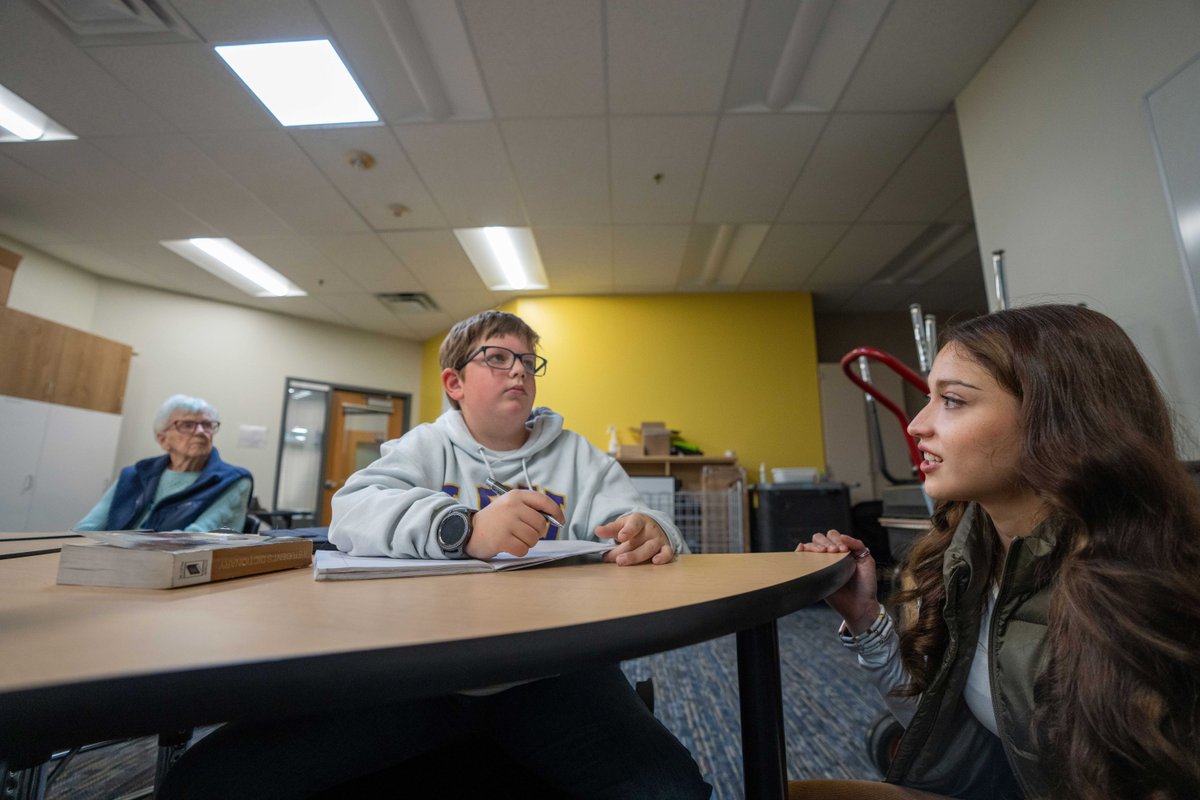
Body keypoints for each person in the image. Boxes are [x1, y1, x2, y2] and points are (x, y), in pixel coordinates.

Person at [157, 311, 710, 800]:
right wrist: (461, 526)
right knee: (205, 785)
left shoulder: (579, 456)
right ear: (455, 382)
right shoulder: (425, 446)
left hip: (555, 674)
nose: (518, 370)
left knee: (673, 791)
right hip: (419, 670)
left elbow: (637, 518)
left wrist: (652, 529)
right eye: (498, 358)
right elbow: (351, 510)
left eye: (529, 361)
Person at [790, 305, 1200, 800]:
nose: (918, 425)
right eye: (928, 398)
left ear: (1058, 419)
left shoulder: (1148, 584)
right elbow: (951, 735)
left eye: (953, 401)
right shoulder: (964, 553)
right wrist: (865, 618)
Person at [76, 394, 252, 533]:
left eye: (207, 425)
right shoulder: (135, 474)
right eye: (187, 425)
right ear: (162, 439)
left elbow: (198, 539)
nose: (200, 432)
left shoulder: (232, 480)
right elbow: (87, 528)